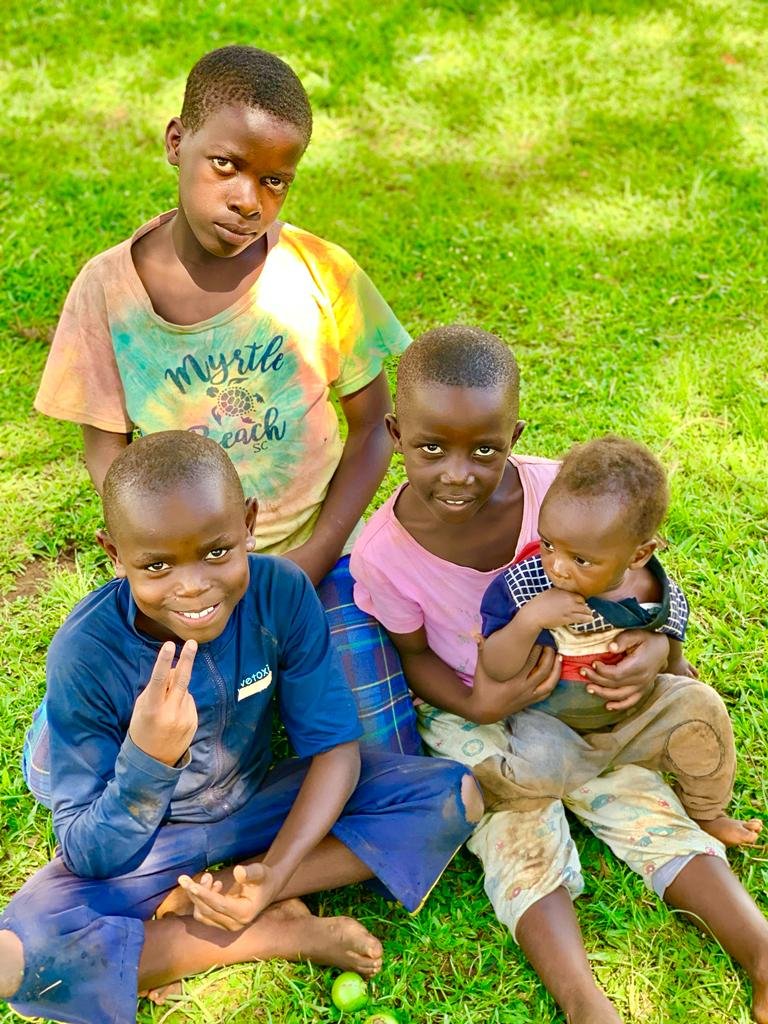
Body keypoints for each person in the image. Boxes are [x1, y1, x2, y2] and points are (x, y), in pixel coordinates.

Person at [350, 325, 768, 1024]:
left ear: (515, 433)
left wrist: (659, 650)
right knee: (517, 825)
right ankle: (583, 1002)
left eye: (485, 449)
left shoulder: (560, 492)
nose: (459, 472)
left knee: (643, 800)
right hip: (475, 706)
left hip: (593, 698)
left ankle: (759, 950)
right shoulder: (382, 555)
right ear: (395, 433)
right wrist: (480, 703)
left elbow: (650, 583)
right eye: (431, 448)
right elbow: (417, 657)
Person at [0, 431, 482, 1024]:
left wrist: (272, 873)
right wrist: (149, 761)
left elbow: (335, 752)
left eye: (216, 552)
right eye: (156, 565)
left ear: (248, 524)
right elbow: (88, 853)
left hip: (252, 804)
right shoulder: (86, 652)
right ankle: (277, 936)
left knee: (451, 795)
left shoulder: (281, 593)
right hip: (151, 841)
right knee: (17, 957)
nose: (193, 584)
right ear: (114, 555)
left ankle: (232, 898)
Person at [29, 44, 419, 770]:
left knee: (379, 760)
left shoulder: (322, 274)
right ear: (177, 143)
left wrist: (314, 556)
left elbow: (373, 432)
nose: (249, 200)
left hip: (315, 558)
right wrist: (171, 572)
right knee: (95, 755)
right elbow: (106, 448)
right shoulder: (108, 291)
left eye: (276, 180)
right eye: (227, 166)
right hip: (186, 577)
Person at [476, 435, 762, 846]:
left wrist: (671, 659)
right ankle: (482, 793)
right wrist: (529, 620)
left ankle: (707, 812)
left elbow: (671, 626)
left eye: (582, 560)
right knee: (532, 766)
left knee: (702, 708)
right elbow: (495, 666)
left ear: (638, 555)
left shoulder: (651, 587)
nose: (557, 565)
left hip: (636, 718)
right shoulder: (527, 585)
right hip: (554, 725)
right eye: (550, 543)